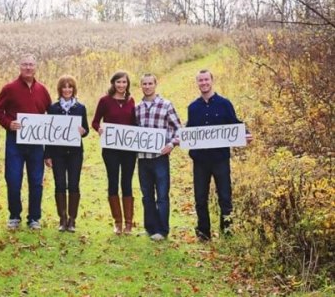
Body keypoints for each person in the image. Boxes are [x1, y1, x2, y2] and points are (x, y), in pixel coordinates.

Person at [186, 70, 252, 241]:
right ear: (197, 83)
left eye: (206, 79)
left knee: (224, 196)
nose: (204, 83)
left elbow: (234, 124)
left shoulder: (224, 104)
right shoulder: (193, 108)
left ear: (212, 81)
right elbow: (189, 130)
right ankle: (203, 232)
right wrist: (181, 138)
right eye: (200, 80)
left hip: (220, 159)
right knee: (200, 198)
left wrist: (246, 133)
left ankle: (227, 231)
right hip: (200, 160)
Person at [0, 54, 51, 230]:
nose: (28, 68)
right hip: (15, 142)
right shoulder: (9, 88)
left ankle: (34, 217)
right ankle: (14, 215)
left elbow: (52, 112)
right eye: (25, 64)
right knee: (13, 179)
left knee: (36, 180)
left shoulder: (42, 90)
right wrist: (8, 124)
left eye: (31, 65)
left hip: (36, 144)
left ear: (35, 67)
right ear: (20, 66)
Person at [135, 73, 182, 241]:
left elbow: (179, 129)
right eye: (144, 84)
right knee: (146, 195)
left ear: (155, 84)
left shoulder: (166, 105)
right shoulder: (137, 107)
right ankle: (150, 228)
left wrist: (171, 144)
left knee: (162, 195)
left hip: (160, 157)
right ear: (141, 86)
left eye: (150, 83)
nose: (147, 86)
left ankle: (162, 230)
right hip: (143, 158)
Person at [92, 71, 137, 235]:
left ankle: (129, 223)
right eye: (118, 82)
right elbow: (95, 121)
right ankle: (117, 222)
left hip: (128, 150)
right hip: (111, 150)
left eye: (124, 82)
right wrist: (99, 128)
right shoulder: (105, 101)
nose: (121, 85)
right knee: (113, 181)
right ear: (113, 83)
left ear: (127, 84)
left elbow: (135, 124)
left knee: (127, 182)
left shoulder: (131, 101)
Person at [44, 75, 89, 233]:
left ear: (74, 89)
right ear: (60, 89)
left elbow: (86, 130)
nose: (67, 90)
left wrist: (83, 132)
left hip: (75, 152)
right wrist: (47, 155)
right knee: (60, 183)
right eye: (64, 87)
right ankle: (62, 218)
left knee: (74, 184)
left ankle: (72, 219)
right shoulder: (53, 108)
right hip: (58, 153)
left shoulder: (80, 108)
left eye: (70, 87)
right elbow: (49, 132)